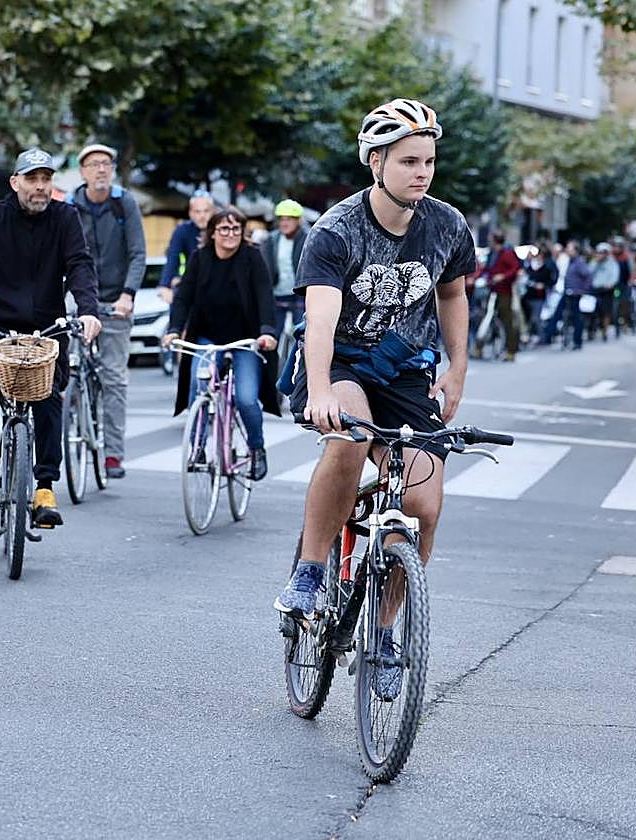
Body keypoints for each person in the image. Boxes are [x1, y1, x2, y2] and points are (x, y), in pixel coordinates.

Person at [272, 99, 477, 700]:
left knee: (424, 505)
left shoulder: (446, 225)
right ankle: (311, 572)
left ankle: (384, 632)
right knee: (349, 439)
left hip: (406, 370)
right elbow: (320, 317)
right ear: (375, 162)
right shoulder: (336, 229)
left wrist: (458, 371)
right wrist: (316, 391)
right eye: (409, 160)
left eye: (430, 161)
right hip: (341, 360)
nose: (422, 172)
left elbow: (454, 293)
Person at [0, 148, 102, 528]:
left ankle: (44, 487)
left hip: (47, 330)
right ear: (15, 182)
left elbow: (79, 265)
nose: (40, 187)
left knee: (47, 400)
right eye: (32, 179)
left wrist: (88, 310)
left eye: (46, 179)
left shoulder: (65, 217)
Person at [162, 206, 280, 479]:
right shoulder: (199, 258)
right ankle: (199, 447)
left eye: (236, 228)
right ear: (212, 232)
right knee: (197, 386)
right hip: (207, 337)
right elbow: (183, 299)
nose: (230, 234)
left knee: (247, 398)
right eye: (224, 228)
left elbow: (264, 296)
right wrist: (174, 329)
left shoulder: (252, 258)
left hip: (246, 339)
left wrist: (267, 332)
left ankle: (256, 448)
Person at [67, 143, 145, 480]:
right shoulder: (70, 207)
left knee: (113, 377)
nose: (101, 169)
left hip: (115, 300)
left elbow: (138, 253)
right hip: (78, 297)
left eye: (106, 164)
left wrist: (128, 295)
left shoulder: (123, 202)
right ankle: (68, 424)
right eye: (94, 164)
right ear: (82, 171)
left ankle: (113, 454)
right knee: (64, 369)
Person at [260, 198, 310, 340]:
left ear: (298, 220)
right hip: (277, 292)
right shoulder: (271, 239)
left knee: (301, 334)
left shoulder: (308, 237)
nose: (284, 223)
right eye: (281, 219)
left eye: (289, 219)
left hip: (300, 294)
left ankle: (298, 361)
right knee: (273, 334)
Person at [159, 190, 215, 303]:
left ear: (213, 212)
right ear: (190, 213)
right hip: (189, 286)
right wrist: (165, 285)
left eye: (206, 211)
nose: (202, 216)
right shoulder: (182, 231)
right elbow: (172, 258)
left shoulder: (220, 229)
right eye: (197, 211)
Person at [474, 231, 521, 361]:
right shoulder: (492, 253)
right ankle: (479, 348)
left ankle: (511, 351)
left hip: (504, 291)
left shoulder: (507, 253)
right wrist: (475, 277)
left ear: (495, 240)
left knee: (507, 320)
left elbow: (515, 268)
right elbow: (487, 269)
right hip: (492, 289)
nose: (488, 240)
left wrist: (503, 277)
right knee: (486, 317)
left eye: (491, 238)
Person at [543, 241, 592, 348]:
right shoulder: (570, 261)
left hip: (575, 293)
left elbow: (587, 276)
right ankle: (547, 336)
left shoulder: (579, 262)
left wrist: (583, 290)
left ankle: (577, 341)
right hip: (567, 292)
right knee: (558, 313)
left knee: (576, 317)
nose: (567, 250)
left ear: (575, 250)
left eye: (570, 249)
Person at [523, 243, 558, 343]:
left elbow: (551, 280)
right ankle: (536, 336)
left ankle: (543, 338)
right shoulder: (531, 266)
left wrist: (544, 286)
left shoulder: (547, 266)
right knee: (531, 317)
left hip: (540, 295)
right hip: (530, 295)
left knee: (537, 317)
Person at [588, 241, 617, 341]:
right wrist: (595, 262)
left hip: (606, 290)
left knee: (606, 312)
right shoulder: (594, 262)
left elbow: (614, 276)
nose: (601, 254)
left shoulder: (612, 263)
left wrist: (610, 284)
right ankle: (591, 330)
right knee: (592, 311)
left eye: (603, 252)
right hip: (594, 290)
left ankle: (605, 331)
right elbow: (588, 273)